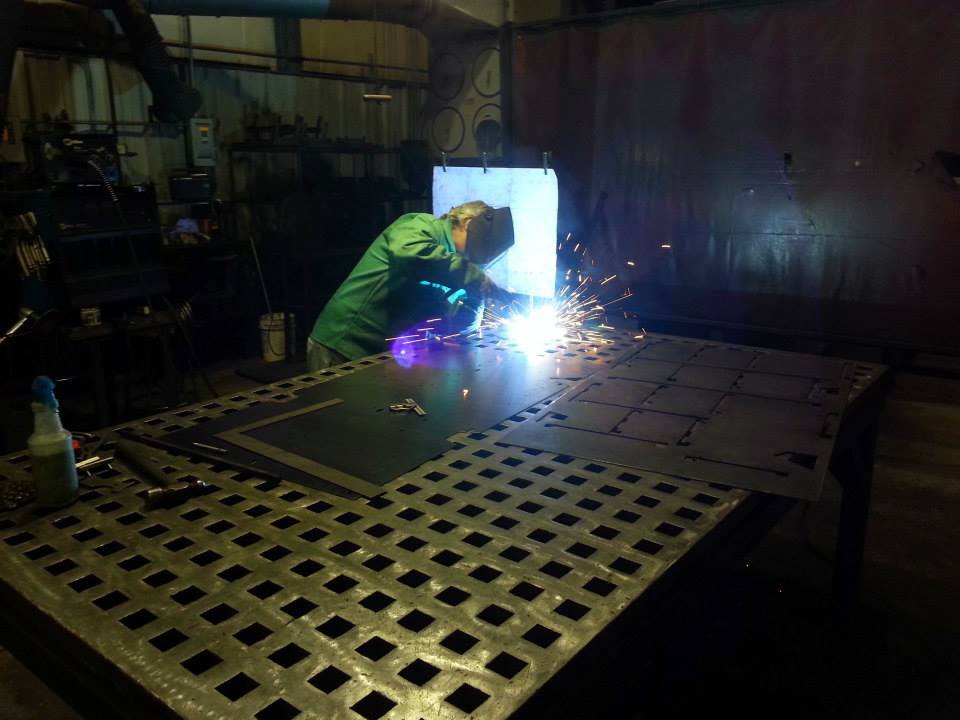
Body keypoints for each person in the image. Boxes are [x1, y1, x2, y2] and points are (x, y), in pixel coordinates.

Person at [307, 201, 515, 370]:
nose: (472, 259)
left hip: (379, 353)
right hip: (342, 343)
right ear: (467, 223)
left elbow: (455, 325)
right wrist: (473, 277)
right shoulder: (418, 226)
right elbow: (411, 255)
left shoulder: (458, 268)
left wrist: (475, 301)